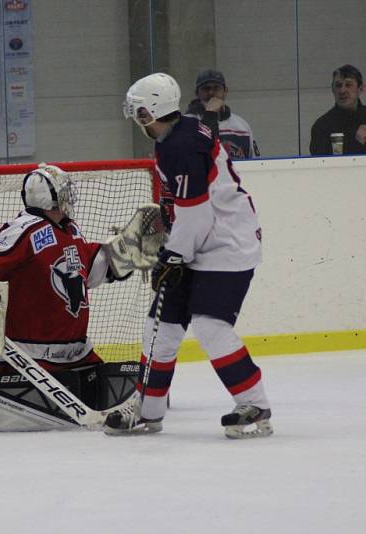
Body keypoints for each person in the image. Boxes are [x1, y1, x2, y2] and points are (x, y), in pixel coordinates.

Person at [109, 72, 272, 438]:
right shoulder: (176, 134)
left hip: (226, 245)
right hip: (199, 241)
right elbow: (188, 210)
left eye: (139, 111)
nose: (136, 118)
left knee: (210, 325)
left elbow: (197, 213)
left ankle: (255, 402)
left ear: (151, 112)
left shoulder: (178, 145)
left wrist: (173, 257)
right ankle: (148, 410)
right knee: (160, 327)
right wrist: (175, 247)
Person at [0, 163, 132, 375]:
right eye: (64, 192)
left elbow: (84, 270)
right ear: (47, 197)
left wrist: (123, 255)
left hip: (76, 354)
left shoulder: (70, 229)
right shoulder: (26, 229)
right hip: (29, 359)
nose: (69, 198)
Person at [185, 68, 260, 160]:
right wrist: (210, 114)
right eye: (206, 88)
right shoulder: (185, 124)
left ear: (225, 91)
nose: (211, 93)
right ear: (197, 93)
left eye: (216, 88)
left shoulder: (242, 126)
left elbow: (254, 163)